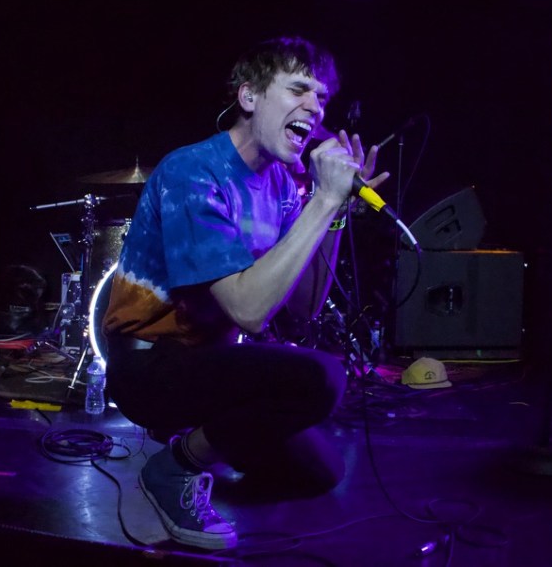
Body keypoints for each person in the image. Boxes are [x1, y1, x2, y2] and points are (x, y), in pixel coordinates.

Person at [103, 36, 388, 550]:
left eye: (322, 98)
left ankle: (202, 445)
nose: (315, 107)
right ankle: (174, 468)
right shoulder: (194, 171)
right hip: (149, 367)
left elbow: (302, 307)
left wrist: (335, 216)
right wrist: (322, 201)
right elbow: (249, 311)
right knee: (321, 377)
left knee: (318, 472)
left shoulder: (280, 184)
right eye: (299, 89)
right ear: (249, 96)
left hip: (212, 365)